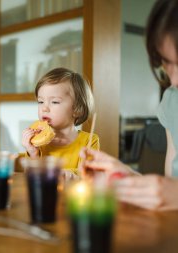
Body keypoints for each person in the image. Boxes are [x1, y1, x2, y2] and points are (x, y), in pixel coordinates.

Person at [80, 0, 178, 211]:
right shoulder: (172, 100)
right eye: (168, 63)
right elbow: (171, 187)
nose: (174, 80)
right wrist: (125, 177)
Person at [21, 67, 99, 175]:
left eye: (55, 102)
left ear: (77, 109)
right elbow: (32, 178)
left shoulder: (90, 141)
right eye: (40, 101)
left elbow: (88, 174)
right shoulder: (38, 144)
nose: (44, 108)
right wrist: (33, 153)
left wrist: (61, 173)